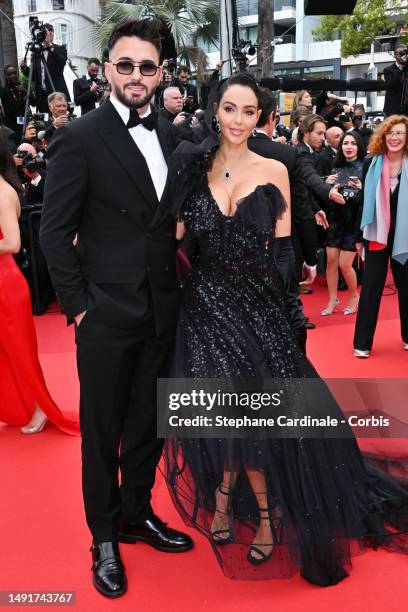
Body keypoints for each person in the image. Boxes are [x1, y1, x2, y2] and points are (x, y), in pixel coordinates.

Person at [164, 73, 408, 586]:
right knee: (219, 412)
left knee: (258, 415)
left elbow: (279, 252)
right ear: (214, 110)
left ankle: (269, 517)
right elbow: (174, 236)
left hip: (258, 308)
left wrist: (287, 318)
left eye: (248, 111)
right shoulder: (191, 166)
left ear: (261, 117)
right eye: (228, 109)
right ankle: (225, 497)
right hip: (206, 308)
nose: (236, 120)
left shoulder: (274, 168)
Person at [39, 18, 192, 599]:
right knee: (102, 434)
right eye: (124, 65)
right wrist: (81, 308)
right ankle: (103, 536)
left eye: (146, 67)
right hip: (105, 316)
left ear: (161, 74)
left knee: (149, 425)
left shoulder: (176, 137)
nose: (135, 76)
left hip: (162, 310)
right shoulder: (79, 138)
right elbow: (53, 234)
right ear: (106, 70)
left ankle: (136, 513)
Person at [0, 131, 78, 436]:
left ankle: (41, 408)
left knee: (20, 351)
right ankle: (18, 405)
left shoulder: (4, 192)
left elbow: (14, 242)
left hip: (7, 285)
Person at [249, 88, 317, 335]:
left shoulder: (220, 151)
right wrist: (311, 257)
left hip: (232, 256)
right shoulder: (286, 155)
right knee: (289, 321)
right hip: (279, 250)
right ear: (273, 116)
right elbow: (300, 209)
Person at [354, 115, 408, 357]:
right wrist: (358, 237)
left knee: (406, 287)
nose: (394, 137)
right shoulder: (371, 164)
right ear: (383, 136)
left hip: (406, 237)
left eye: (400, 133)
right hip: (376, 233)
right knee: (371, 287)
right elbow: (364, 202)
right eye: (390, 133)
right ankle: (362, 344)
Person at [321, 131, 366, 316]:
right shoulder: (335, 167)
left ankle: (354, 296)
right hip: (335, 220)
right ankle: (333, 299)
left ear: (359, 146)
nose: (348, 146)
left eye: (353, 143)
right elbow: (327, 196)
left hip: (353, 222)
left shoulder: (365, 167)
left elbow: (369, 199)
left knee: (345, 264)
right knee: (331, 261)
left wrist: (362, 189)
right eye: (345, 143)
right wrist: (327, 185)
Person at [20, 23, 70, 113]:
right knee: (45, 123)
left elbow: (62, 62)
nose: (49, 35)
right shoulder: (37, 52)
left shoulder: (60, 49)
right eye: (47, 33)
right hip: (42, 95)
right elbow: (35, 76)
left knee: (59, 121)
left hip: (56, 92)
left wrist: (49, 45)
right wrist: (24, 68)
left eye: (51, 33)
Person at [383, 45, 408, 117]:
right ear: (396, 56)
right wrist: (400, 67)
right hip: (393, 109)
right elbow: (391, 85)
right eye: (402, 54)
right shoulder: (388, 70)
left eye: (406, 53)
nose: (405, 56)